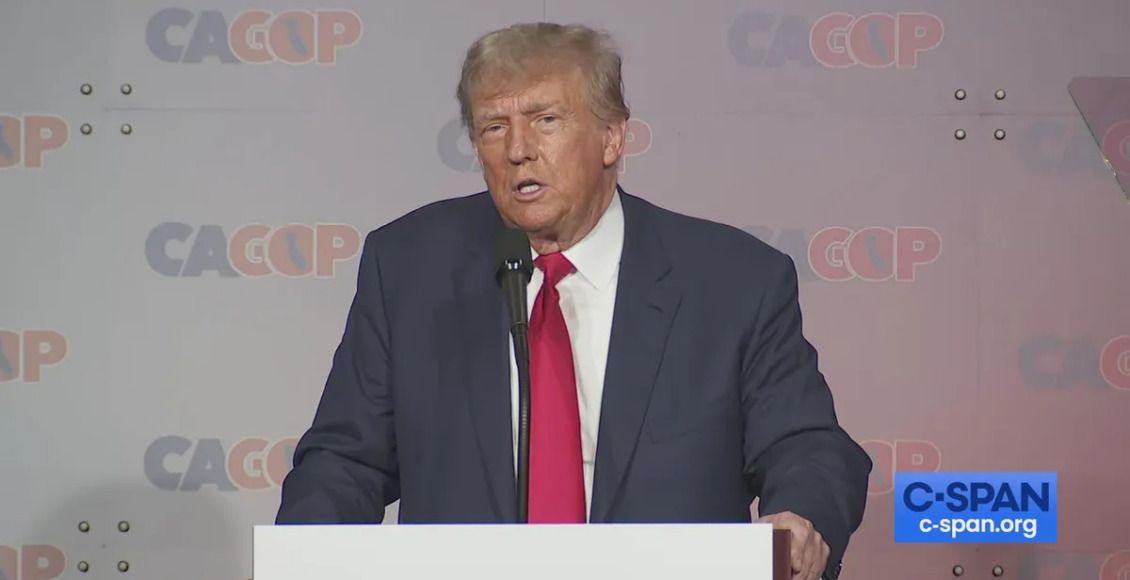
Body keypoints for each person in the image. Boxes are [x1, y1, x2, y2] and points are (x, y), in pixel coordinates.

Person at [276, 22, 871, 580]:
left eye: (546, 120)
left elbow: (806, 445)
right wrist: (302, 553)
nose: (518, 149)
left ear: (612, 136)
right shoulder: (409, 269)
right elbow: (345, 461)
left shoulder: (733, 282)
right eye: (493, 127)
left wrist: (801, 518)